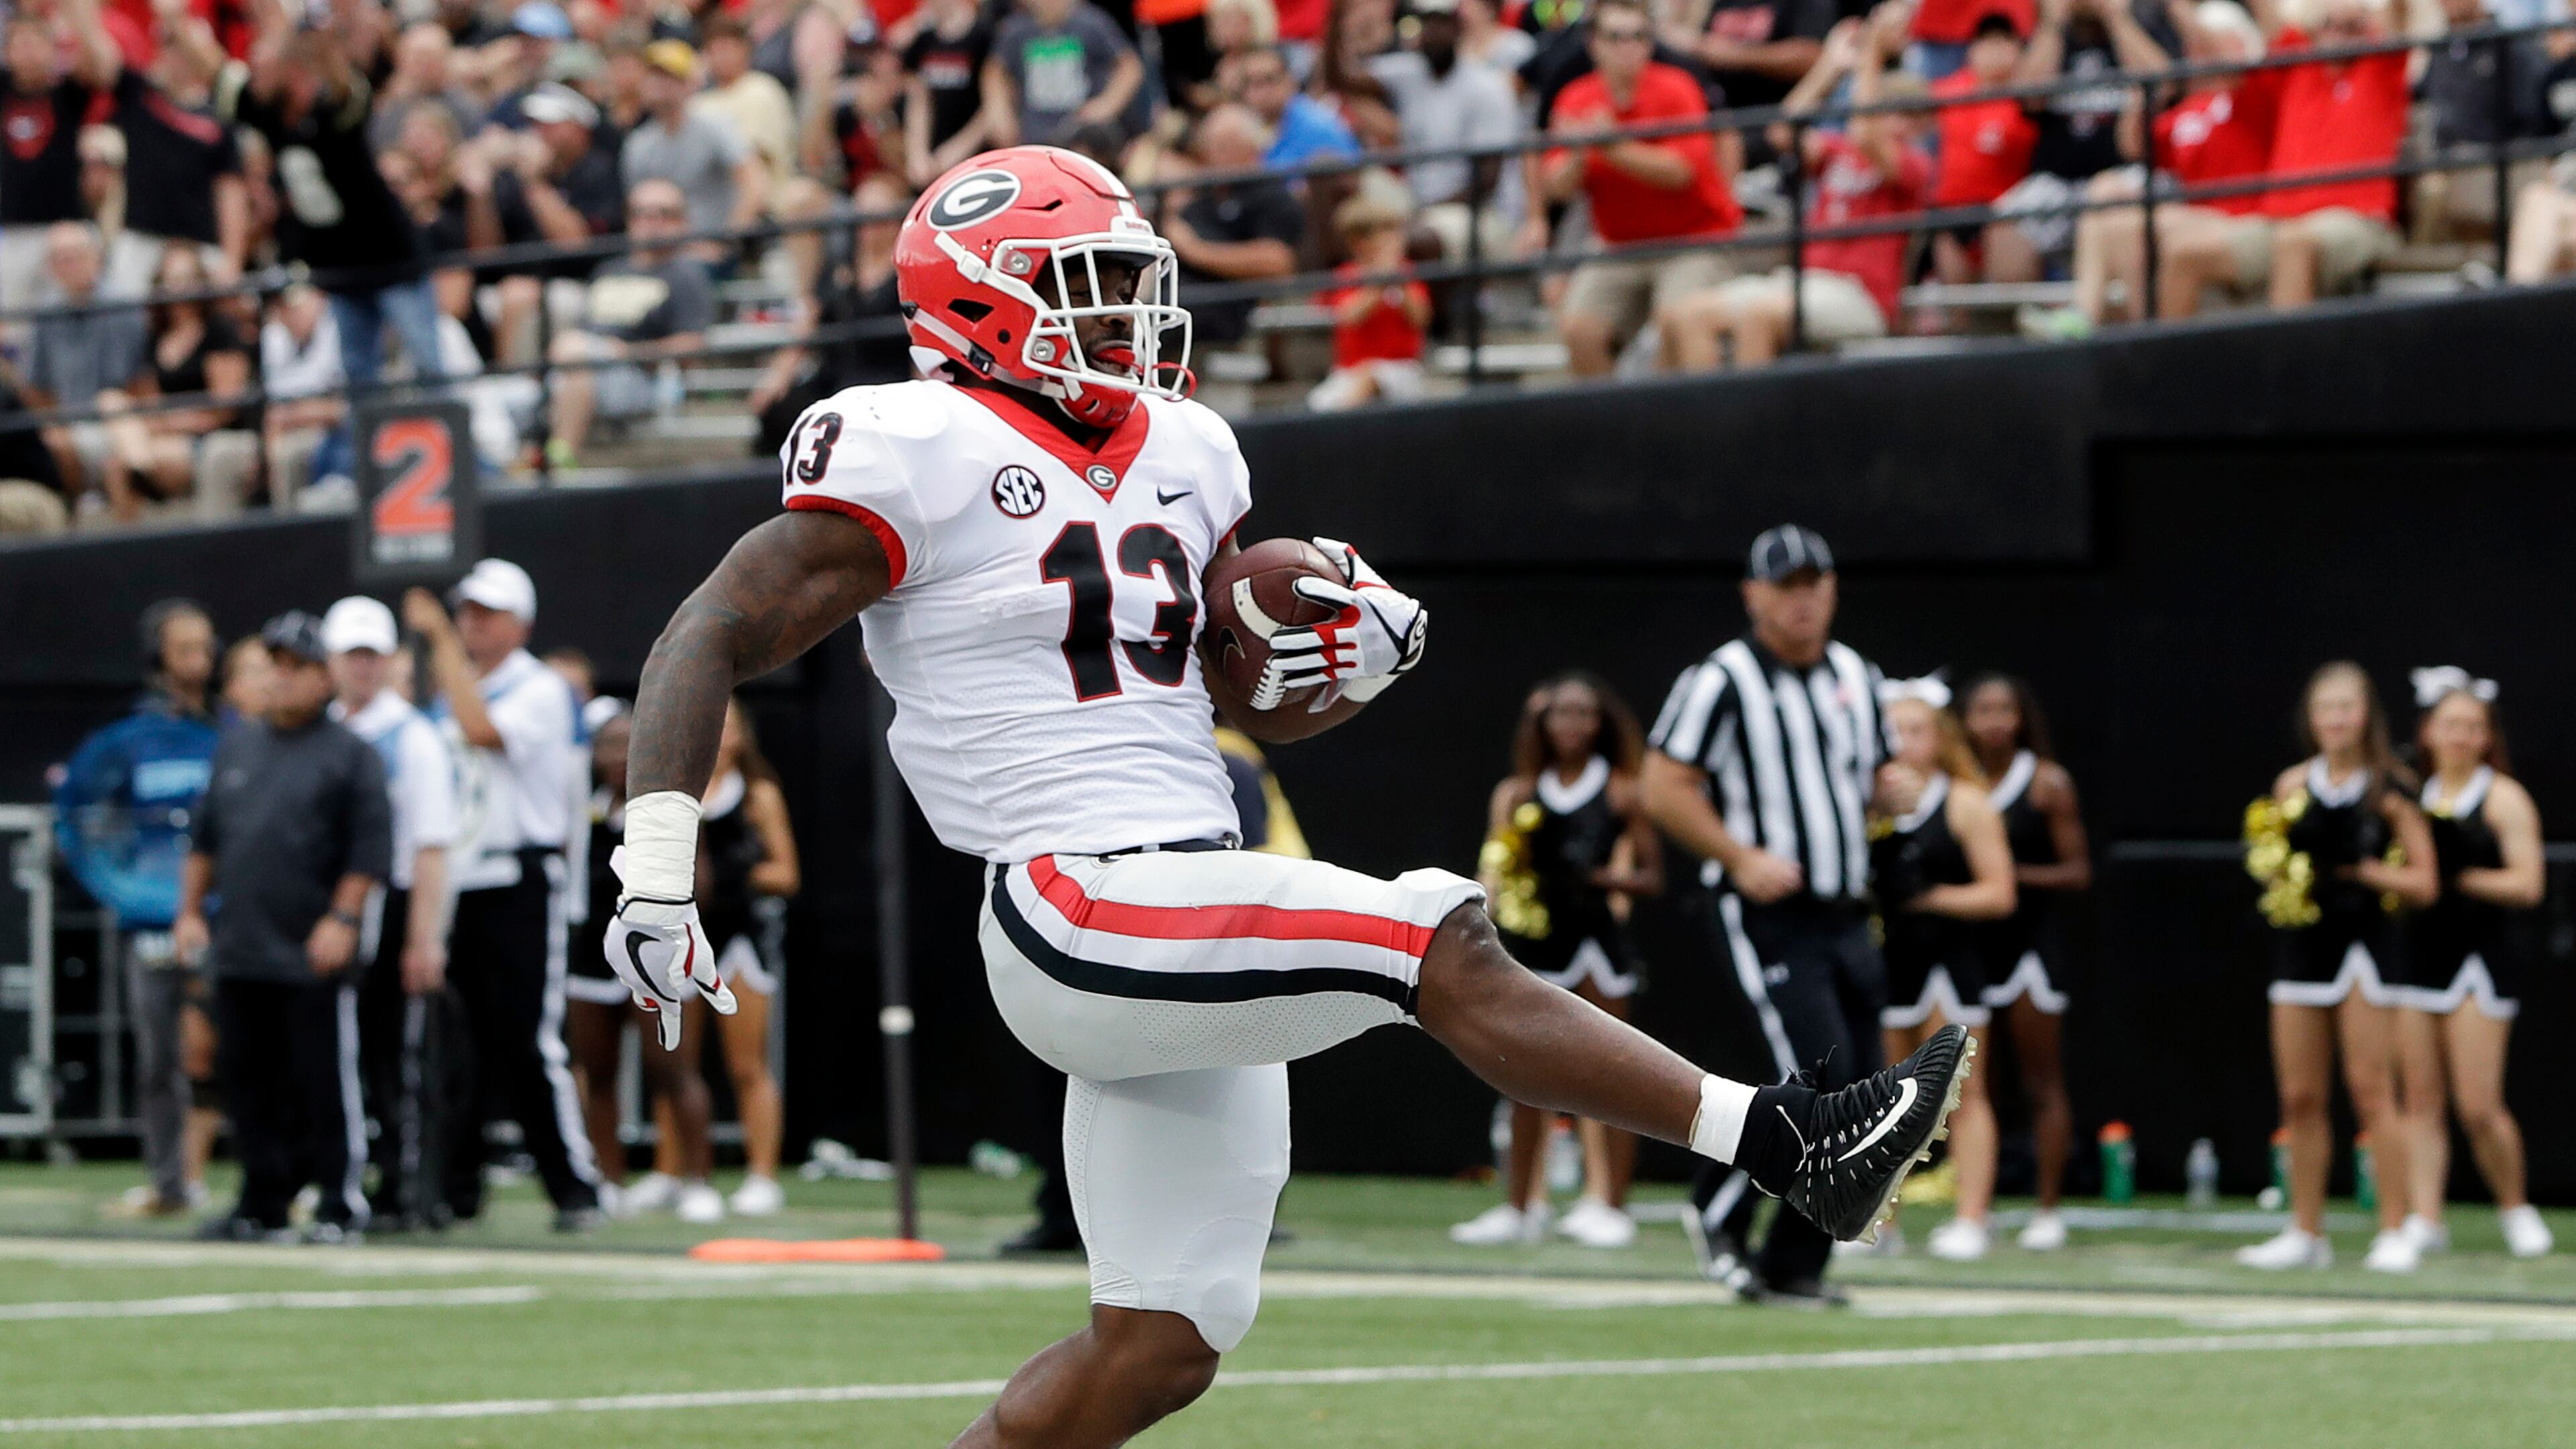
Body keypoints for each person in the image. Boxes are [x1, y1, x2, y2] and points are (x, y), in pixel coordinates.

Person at [606, 145, 1970, 1447]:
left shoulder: (1189, 450)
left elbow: (1228, 690)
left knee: (1163, 1347)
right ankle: (1790, 1139)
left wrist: (1343, 659)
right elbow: (710, 629)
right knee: (1436, 934)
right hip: (1072, 898)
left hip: (1185, 886)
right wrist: (655, 867)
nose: (1131, 313)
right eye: (1086, 283)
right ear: (981, 300)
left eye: (1132, 281)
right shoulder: (911, 440)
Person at [1641, 523, 1916, 1307]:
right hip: (1770, 914)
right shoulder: (1723, 679)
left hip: (1845, 909)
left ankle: (1795, 1265)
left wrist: (1889, 790)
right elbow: (1663, 784)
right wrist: (1737, 856)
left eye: (1815, 584)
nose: (1803, 600)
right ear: (1754, 596)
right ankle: (1716, 1208)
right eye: (1786, 586)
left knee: (1864, 1088)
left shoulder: (1856, 675)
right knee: (1816, 1079)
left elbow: (1869, 771)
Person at [174, 612, 391, 1243]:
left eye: (298, 666)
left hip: (311, 943)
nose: (283, 678)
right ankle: (262, 1201)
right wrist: (190, 911)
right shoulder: (239, 744)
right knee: (248, 1080)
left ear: (325, 678)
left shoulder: (351, 753)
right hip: (241, 941)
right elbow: (207, 837)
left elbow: (368, 848)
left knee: (325, 1081)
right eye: (277, 665)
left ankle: (338, 1202)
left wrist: (343, 917)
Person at [402, 559, 606, 1230]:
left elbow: (482, 729)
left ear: (520, 622)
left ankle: (574, 1187)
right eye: (465, 613)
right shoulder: (456, 690)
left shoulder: (540, 689)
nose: (470, 625)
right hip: (463, 875)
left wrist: (437, 643)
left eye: (486, 614)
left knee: (527, 1041)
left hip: (520, 877)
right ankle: (456, 1189)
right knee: (457, 1045)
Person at [1451, 672, 1663, 1250]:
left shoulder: (1621, 790)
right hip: (1536, 948)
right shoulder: (1518, 793)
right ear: (1541, 723)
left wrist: (1609, 879)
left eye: (1584, 713)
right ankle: (1522, 1206)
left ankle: (1609, 1203)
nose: (1572, 724)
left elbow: (1653, 875)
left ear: (1601, 723)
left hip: (1598, 947)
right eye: (1560, 714)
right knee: (1522, 1074)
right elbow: (1495, 869)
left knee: (1613, 1070)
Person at [2237, 661, 2437, 1273]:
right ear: (2311, 717)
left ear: (2366, 715)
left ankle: (2395, 1229)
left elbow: (2424, 883)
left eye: (2347, 707)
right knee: (2299, 1097)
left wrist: (2365, 871)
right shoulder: (2291, 786)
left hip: (2366, 949)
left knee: (2373, 1090)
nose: (2337, 719)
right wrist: (2287, 870)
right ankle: (2306, 1232)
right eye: (2326, 707)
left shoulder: (2391, 787)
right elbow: (2271, 866)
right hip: (2304, 946)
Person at [54, 600, 221, 1219]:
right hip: (153, 922)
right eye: (185, 649)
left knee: (220, 1049)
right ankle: (170, 1180)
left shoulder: (224, 735)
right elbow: (79, 816)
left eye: (205, 648)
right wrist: (125, 887)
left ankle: (259, 1173)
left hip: (220, 917)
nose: (198, 663)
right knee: (159, 1056)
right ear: (158, 659)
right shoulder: (127, 742)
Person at [2391, 669, 2552, 1260]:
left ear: (2487, 737)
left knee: (2478, 1104)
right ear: (2429, 732)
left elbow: (2528, 883)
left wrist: (2458, 875)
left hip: (2480, 961)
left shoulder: (2504, 797)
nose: (2460, 736)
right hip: (2419, 958)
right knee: (2420, 1102)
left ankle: (2516, 1208)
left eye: (2472, 727)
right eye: (2449, 725)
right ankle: (2425, 1219)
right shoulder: (2409, 795)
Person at [217, 0, 449, 410]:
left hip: (389, 256)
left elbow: (347, 87)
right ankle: (364, 462)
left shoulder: (334, 113)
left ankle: (458, 454)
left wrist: (320, 43)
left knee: (429, 361)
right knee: (358, 374)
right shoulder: (274, 117)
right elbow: (225, 82)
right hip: (340, 265)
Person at [1664, 21, 1930, 368]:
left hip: (1861, 295)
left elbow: (1866, 134)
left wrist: (1871, 55)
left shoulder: (1916, 165)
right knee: (1685, 315)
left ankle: (1749, 422)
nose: (1895, 120)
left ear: (1925, 124)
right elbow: (1782, 134)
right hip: (1805, 282)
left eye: (1908, 113)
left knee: (1757, 316)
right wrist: (1828, 67)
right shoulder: (1839, 151)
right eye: (1890, 109)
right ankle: (1698, 421)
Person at [321, 596, 459, 1232]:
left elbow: (432, 845)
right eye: (353, 655)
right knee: (343, 1056)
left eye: (373, 655)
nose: (363, 668)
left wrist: (424, 936)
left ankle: (409, 1187)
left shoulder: (414, 736)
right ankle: (352, 1176)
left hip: (394, 903)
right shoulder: (321, 730)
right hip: (330, 906)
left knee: (395, 1059)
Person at [1870, 678, 2015, 1262]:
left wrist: (1928, 899)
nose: (1903, 743)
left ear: (1940, 737)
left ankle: (1972, 1218)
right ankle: (1880, 1221)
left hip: (1950, 964)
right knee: (1884, 1095)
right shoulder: (1863, 804)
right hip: (1888, 962)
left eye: (1916, 730)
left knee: (1962, 1090)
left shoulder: (1964, 802)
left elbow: (1999, 893)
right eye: (1892, 732)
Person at [640, 698, 800, 1218]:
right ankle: (671, 1171)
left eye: (730, 724)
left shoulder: (757, 794)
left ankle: (761, 1176)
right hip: (679, 942)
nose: (721, 732)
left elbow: (786, 874)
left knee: (746, 1064)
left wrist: (734, 875)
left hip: (738, 945)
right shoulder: (674, 792)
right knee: (675, 1063)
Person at [567, 706, 725, 1218]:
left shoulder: (665, 809)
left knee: (672, 1071)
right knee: (598, 1071)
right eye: (607, 746)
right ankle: (609, 1180)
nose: (617, 756)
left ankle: (697, 1182)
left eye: (626, 745)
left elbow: (700, 881)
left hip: (654, 954)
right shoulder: (578, 809)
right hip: (591, 956)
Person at [1542, 0, 1743, 376]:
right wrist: (1577, 154)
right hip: (1620, 244)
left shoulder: (1677, 87)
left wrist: (1611, 145)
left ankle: (1673, 428)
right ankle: (1612, 428)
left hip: (1695, 238)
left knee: (1678, 322)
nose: (1627, 47)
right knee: (1579, 329)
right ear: (1593, 43)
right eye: (1615, 36)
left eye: (1638, 36)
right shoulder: (1576, 97)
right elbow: (1557, 188)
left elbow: (1681, 173)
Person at [1958, 672, 2088, 1250]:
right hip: (1969, 949)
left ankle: (2047, 1209)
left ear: (2022, 717)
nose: (1992, 721)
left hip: (2032, 947)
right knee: (1972, 1082)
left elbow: (2078, 870)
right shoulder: (1955, 785)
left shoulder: (2046, 783)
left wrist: (2006, 877)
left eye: (2003, 709)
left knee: (2040, 1080)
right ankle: (1974, 1207)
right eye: (1981, 710)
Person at [543, 178, 715, 470]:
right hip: (582, 367)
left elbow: (693, 345)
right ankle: (552, 457)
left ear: (683, 222)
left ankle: (558, 461)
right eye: (642, 213)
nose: (653, 222)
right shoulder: (608, 269)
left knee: (573, 351)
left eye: (665, 213)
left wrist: (625, 352)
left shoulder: (687, 275)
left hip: (641, 378)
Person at [101, 244, 258, 521]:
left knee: (121, 464)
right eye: (171, 280)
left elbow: (224, 408)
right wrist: (161, 423)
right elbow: (148, 401)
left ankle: (141, 468)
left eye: (187, 279)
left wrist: (169, 422)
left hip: (209, 438)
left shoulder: (220, 330)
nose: (179, 289)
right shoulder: (155, 337)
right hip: (165, 437)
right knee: (111, 405)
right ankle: (128, 548)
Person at [0, 0, 121, 315]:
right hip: (11, 233)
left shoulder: (68, 94)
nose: (27, 51)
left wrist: (79, 15)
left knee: (77, 316)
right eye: (19, 42)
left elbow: (104, 68)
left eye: (36, 41)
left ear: (53, 50)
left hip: (65, 229)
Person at [23, 223, 149, 516]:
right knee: (51, 443)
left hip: (120, 421)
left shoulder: (123, 307)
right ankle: (70, 541)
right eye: (59, 259)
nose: (68, 266)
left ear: (96, 256)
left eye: (75, 256)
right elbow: (38, 387)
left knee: (112, 415)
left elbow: (138, 383)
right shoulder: (45, 313)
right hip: (67, 422)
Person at [1163, 105, 1307, 349]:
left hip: (1229, 304)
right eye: (1211, 144)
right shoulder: (1201, 197)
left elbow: (1277, 263)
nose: (1214, 154)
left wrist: (1195, 250)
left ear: (1252, 147)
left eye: (1226, 145)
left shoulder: (1272, 196)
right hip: (1177, 294)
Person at [622, 41, 767, 256]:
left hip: (711, 253)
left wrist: (724, 244)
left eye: (670, 77)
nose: (658, 84)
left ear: (690, 83)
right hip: (661, 255)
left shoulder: (715, 126)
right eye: (652, 75)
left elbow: (755, 184)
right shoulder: (638, 143)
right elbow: (636, 209)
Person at [1308, 192, 1431, 411]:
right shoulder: (1346, 276)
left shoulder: (1407, 275)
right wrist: (1381, 280)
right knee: (1319, 404)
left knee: (1370, 379)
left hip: (1400, 370)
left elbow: (1421, 318)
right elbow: (1350, 316)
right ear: (1358, 242)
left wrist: (1397, 279)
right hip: (1349, 372)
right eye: (1384, 232)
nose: (1395, 239)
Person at [983, 0, 1148, 147]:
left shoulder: (1092, 23)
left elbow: (1130, 66)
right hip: (1033, 133)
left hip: (1082, 133)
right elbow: (994, 70)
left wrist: (1107, 105)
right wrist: (1000, 112)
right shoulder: (1016, 29)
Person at [904, 0, 1000, 186]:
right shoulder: (924, 41)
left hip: (977, 159)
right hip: (934, 158)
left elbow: (993, 105)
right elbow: (919, 100)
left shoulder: (986, 36)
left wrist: (959, 149)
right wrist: (917, 154)